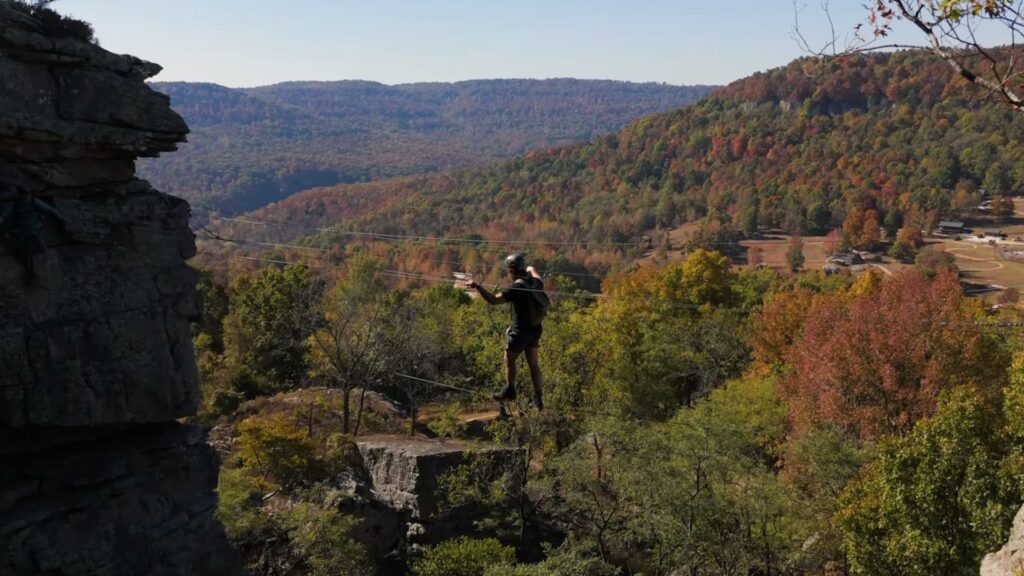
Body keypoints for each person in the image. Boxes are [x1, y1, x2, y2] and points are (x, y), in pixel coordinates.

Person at [466, 253, 547, 410]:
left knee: (509, 358)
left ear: (511, 270)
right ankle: (538, 397)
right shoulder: (536, 282)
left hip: (520, 331)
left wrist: (478, 287)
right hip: (535, 329)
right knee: (534, 364)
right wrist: (529, 268)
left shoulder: (515, 288)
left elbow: (493, 300)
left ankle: (510, 389)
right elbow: (533, 269)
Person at [0, 188, 64, 283]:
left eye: (27, 194)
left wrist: (59, 215)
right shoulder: (16, 203)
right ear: (20, 195)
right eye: (23, 194)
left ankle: (41, 270)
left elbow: (48, 208)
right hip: (22, 231)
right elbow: (6, 212)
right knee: (27, 252)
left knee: (40, 249)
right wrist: (2, 218)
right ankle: (30, 273)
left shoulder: (34, 202)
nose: (25, 197)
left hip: (34, 229)